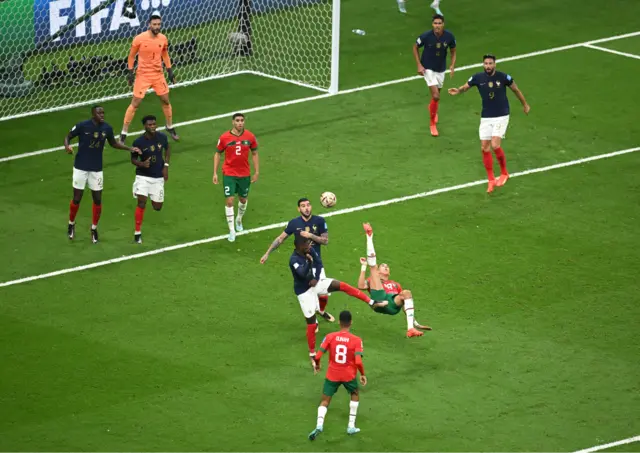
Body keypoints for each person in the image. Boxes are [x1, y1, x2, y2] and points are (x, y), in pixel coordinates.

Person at [289, 236, 385, 366]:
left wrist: (316, 278)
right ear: (298, 245)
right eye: (306, 243)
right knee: (311, 324)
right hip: (304, 292)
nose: (309, 245)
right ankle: (312, 354)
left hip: (314, 283)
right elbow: (301, 273)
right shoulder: (293, 260)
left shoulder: (309, 251)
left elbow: (318, 262)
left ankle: (371, 302)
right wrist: (309, 262)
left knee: (342, 286)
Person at [448, 54, 530, 193]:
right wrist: (458, 90)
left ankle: (504, 173)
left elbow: (515, 89)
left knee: (495, 145)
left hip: (502, 115)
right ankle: (491, 179)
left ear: (495, 64)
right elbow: (466, 86)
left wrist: (525, 104)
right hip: (486, 116)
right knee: (484, 148)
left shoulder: (503, 77)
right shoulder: (478, 78)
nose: (488, 66)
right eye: (486, 63)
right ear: (483, 65)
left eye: (490, 63)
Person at [64, 105, 140, 243]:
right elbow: (68, 136)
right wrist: (67, 146)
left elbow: (114, 143)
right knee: (77, 198)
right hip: (80, 167)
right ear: (93, 114)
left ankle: (94, 228)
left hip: (96, 169)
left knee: (97, 199)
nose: (102, 115)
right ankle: (71, 224)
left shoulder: (107, 128)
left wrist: (129, 148)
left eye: (103, 112)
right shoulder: (83, 126)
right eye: (99, 113)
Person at [261, 198, 333, 324]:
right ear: (298, 209)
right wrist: (267, 253)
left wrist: (310, 236)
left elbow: (325, 241)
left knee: (323, 293)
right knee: (308, 294)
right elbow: (280, 239)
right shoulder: (294, 223)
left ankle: (320, 310)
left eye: (308, 205)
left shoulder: (320, 221)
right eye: (303, 206)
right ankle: (313, 321)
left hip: (316, 262)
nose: (306, 208)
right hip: (302, 265)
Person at [360, 223, 431, 337]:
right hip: (379, 299)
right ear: (379, 271)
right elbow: (361, 286)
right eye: (383, 266)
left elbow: (405, 304)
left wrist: (415, 322)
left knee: (406, 293)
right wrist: (363, 267)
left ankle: (410, 329)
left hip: (392, 305)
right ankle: (369, 236)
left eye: (387, 266)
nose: (386, 266)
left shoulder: (395, 284)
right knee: (372, 266)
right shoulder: (373, 279)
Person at [120, 12, 179, 144]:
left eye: (159, 24)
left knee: (165, 101)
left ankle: (169, 126)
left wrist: (170, 71)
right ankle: (124, 132)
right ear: (149, 25)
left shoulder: (163, 38)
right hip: (143, 75)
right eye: (154, 24)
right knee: (135, 103)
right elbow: (131, 56)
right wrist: (130, 72)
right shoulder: (139, 39)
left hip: (158, 74)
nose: (157, 27)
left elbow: (165, 54)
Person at [308, 310, 367, 440]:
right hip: (348, 375)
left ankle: (319, 425)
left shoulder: (330, 336)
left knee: (324, 400)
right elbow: (358, 361)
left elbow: (317, 355)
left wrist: (317, 364)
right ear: (351, 322)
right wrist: (362, 374)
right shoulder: (357, 340)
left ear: (339, 322)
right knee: (355, 394)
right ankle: (351, 426)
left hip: (332, 374)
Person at [213, 113, 259, 242]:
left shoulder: (250, 136)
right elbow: (217, 154)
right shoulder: (224, 137)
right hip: (229, 173)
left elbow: (255, 153)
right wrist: (215, 172)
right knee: (229, 200)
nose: (240, 123)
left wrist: (257, 172)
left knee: (243, 199)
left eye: (242, 120)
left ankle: (239, 219)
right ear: (233, 122)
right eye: (237, 120)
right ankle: (232, 230)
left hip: (244, 173)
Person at [413, 14, 456, 137]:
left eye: (439, 23)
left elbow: (453, 51)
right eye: (435, 23)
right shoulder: (426, 36)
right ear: (432, 24)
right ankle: (432, 124)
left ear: (443, 24)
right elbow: (415, 47)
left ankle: (432, 108)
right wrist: (419, 65)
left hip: (440, 69)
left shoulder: (449, 37)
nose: (437, 25)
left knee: (436, 96)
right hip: (428, 68)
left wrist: (452, 65)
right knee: (436, 96)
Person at [131, 115, 170, 244]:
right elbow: (133, 159)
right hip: (143, 176)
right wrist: (141, 164)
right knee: (141, 202)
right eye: (150, 125)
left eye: (154, 124)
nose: (153, 126)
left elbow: (167, 149)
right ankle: (137, 233)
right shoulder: (138, 142)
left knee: (157, 207)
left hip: (158, 177)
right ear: (145, 126)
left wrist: (166, 166)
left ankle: (151, 198)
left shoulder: (162, 137)